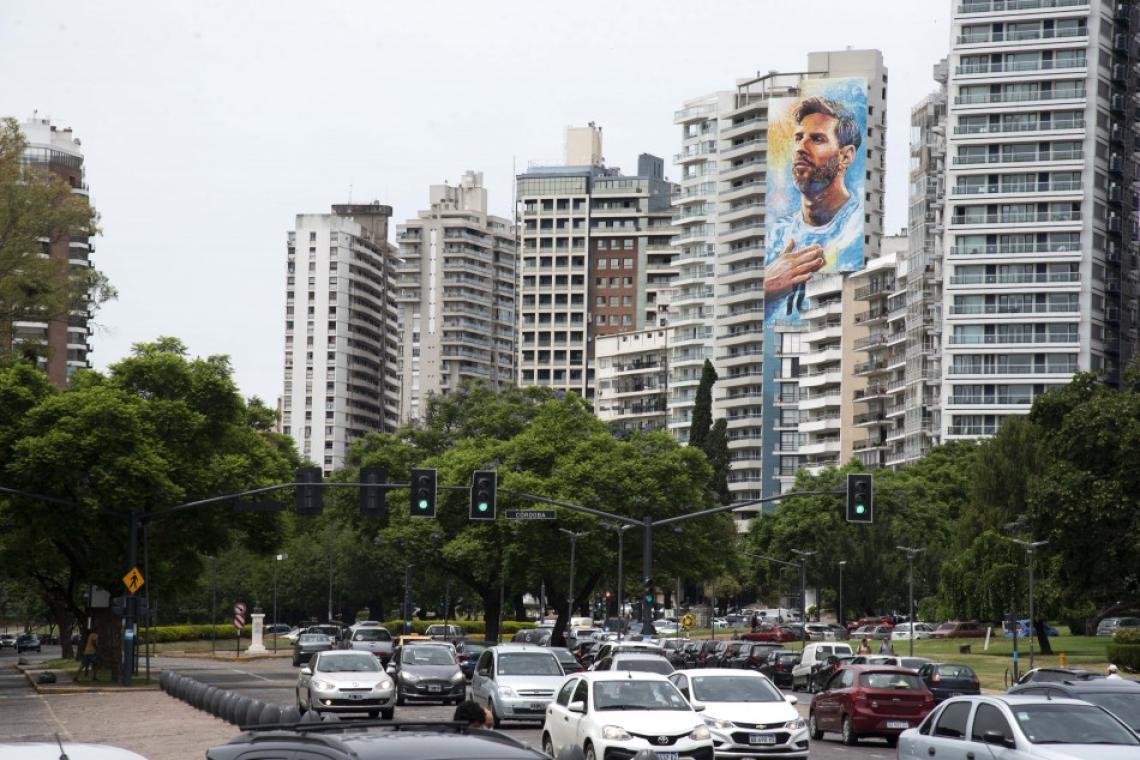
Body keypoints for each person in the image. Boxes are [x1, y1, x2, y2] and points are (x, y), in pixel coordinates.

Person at [765, 96, 865, 321]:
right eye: (798, 138)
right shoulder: (776, 234)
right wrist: (767, 286)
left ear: (845, 156)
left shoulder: (856, 229)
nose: (801, 147)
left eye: (817, 139)